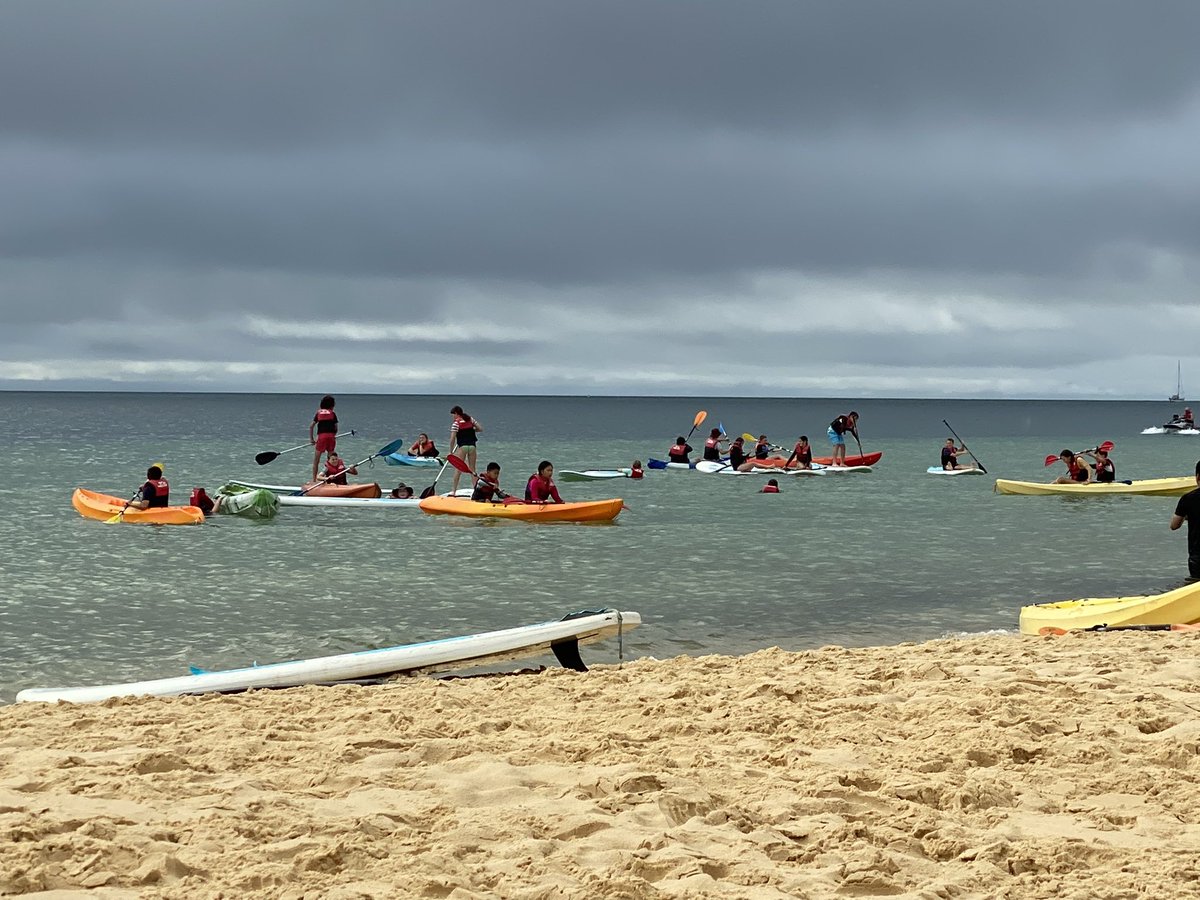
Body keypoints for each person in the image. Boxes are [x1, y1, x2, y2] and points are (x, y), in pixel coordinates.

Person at [1170, 461, 1200, 581]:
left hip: (1197, 555)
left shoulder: (1188, 498)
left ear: (1197, 477)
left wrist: (1188, 516)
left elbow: (1174, 525)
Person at [448, 406, 482, 493]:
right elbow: (480, 429)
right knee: (472, 470)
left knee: (458, 469)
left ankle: (454, 491)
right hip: (472, 447)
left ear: (456, 413)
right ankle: (476, 491)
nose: (453, 417)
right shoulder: (470, 419)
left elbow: (452, 439)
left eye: (453, 415)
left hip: (463, 447)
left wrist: (451, 452)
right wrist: (472, 430)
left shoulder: (456, 424)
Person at [310, 394, 338, 481]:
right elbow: (336, 428)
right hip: (331, 437)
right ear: (332, 405)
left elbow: (311, 426)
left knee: (316, 461)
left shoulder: (318, 413)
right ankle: (332, 479)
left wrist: (312, 439)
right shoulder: (333, 414)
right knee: (332, 460)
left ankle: (314, 480)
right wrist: (333, 436)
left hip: (321, 438)